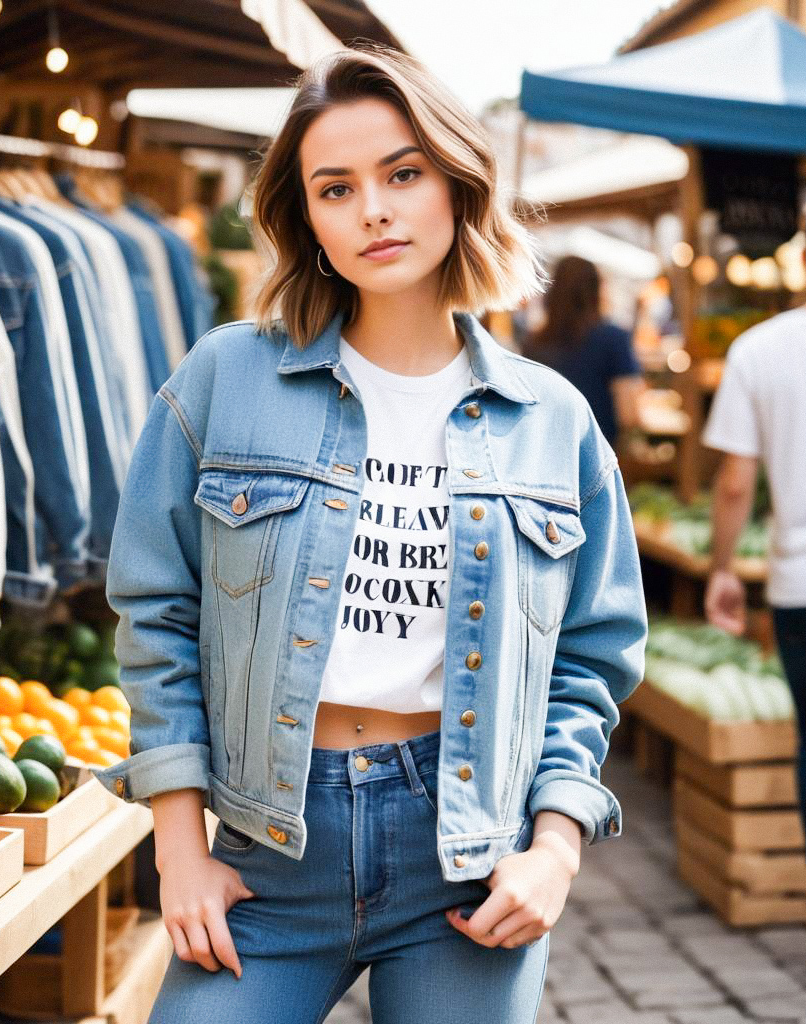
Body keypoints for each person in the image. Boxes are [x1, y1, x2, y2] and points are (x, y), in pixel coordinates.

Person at [92, 44, 647, 1023]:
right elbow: (155, 612)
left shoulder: (551, 420)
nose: (375, 211)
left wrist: (555, 847)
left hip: (465, 857)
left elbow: (592, 656)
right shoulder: (224, 381)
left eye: (402, 174)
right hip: (272, 848)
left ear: (455, 181)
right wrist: (178, 847)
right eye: (335, 188)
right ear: (303, 217)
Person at [704, 190, 806, 970]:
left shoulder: (759, 349)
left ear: (803, 255)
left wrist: (723, 569)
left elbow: (735, 483)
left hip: (801, 579)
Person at [520, 255, 645, 449]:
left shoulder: (533, 343)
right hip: (598, 453)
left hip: (546, 453)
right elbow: (629, 414)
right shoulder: (613, 338)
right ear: (596, 291)